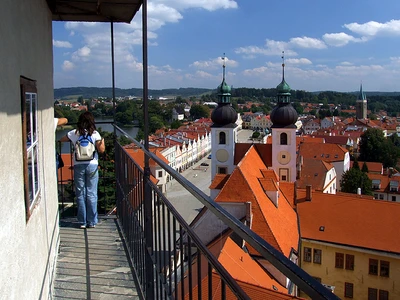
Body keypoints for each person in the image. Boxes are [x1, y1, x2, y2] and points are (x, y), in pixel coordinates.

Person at [60, 112, 105, 229]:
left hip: (78, 164)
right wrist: (102, 140)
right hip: (92, 164)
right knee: (92, 193)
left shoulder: (74, 133)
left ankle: (82, 222)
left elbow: (61, 139)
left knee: (80, 193)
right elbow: (101, 150)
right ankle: (92, 221)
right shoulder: (95, 134)